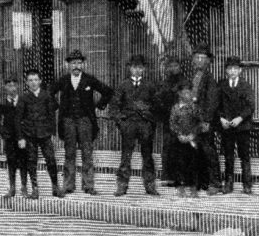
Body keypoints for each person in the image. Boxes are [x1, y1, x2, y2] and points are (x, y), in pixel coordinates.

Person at [52, 50, 113, 196]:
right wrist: (57, 107)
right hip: (68, 121)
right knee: (69, 153)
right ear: (68, 64)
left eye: (79, 63)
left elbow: (108, 92)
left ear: (83, 64)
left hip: (85, 121)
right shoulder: (63, 80)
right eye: (73, 63)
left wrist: (98, 106)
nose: (76, 66)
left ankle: (88, 185)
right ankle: (68, 186)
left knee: (87, 153)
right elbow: (48, 93)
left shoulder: (89, 80)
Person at [110, 55, 159, 197]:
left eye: (139, 67)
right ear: (129, 68)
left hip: (145, 125)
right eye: (133, 67)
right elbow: (114, 107)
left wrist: (150, 121)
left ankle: (150, 186)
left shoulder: (150, 86)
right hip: (129, 125)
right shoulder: (123, 85)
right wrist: (121, 122)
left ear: (143, 69)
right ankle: (122, 186)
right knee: (125, 156)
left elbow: (157, 106)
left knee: (148, 156)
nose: (136, 70)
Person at [16, 69, 61, 200]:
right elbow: (17, 119)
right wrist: (20, 138)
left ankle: (55, 187)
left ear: (40, 81)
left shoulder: (47, 96)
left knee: (51, 160)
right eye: (30, 80)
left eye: (36, 80)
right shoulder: (23, 98)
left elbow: (53, 110)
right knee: (32, 162)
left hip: (45, 134)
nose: (33, 83)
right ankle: (35, 189)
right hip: (29, 135)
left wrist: (52, 130)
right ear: (27, 83)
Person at [217, 56, 255, 195]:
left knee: (244, 155)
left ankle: (247, 184)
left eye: (235, 68)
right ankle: (228, 183)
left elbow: (250, 106)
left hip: (242, 126)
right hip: (227, 126)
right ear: (226, 71)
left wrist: (240, 118)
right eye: (229, 68)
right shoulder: (222, 85)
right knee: (228, 155)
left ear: (240, 71)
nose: (232, 71)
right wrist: (221, 118)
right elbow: (217, 105)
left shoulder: (245, 86)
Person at [190, 46, 222, 195]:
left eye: (202, 58)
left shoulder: (209, 79)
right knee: (196, 151)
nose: (199, 60)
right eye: (196, 57)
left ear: (208, 61)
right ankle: (200, 182)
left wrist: (207, 121)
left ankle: (215, 183)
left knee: (209, 151)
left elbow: (212, 102)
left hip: (204, 122)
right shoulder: (194, 76)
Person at [0, 77, 28, 198]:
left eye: (14, 85)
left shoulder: (23, 101)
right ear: (5, 88)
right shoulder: (2, 104)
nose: (12, 88)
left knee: (23, 162)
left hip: (22, 138)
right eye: (9, 86)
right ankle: (12, 188)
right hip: (9, 139)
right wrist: (3, 132)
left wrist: (26, 133)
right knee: (11, 163)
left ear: (17, 87)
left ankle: (24, 187)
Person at [156, 53, 188, 186]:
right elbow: (158, 99)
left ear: (180, 67)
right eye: (171, 66)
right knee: (168, 147)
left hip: (182, 120)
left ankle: (181, 177)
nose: (173, 68)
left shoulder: (185, 82)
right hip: (168, 120)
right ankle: (167, 176)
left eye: (176, 65)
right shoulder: (164, 83)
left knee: (182, 147)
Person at [169, 84, 201, 198]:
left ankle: (193, 188)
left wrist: (192, 135)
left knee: (193, 163)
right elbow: (172, 124)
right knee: (179, 163)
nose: (188, 95)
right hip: (179, 141)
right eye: (185, 92)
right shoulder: (175, 108)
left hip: (192, 140)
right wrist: (179, 135)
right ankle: (180, 188)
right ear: (180, 94)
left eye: (190, 92)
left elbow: (199, 123)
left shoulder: (194, 108)